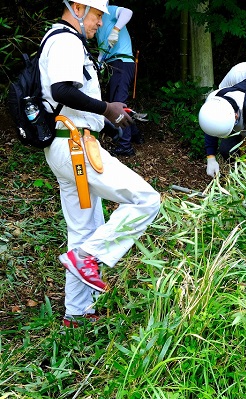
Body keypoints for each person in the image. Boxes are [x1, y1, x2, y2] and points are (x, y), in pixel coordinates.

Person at [40, 0, 161, 327]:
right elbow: (62, 89)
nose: (98, 24)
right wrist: (107, 107)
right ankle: (87, 257)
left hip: (68, 144)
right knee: (148, 199)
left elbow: (73, 101)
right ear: (78, 7)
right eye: (96, 16)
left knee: (83, 230)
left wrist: (111, 116)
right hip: (77, 148)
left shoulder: (63, 39)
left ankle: (77, 315)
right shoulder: (65, 39)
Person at [96, 3, 141, 156]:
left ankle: (125, 146)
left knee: (118, 103)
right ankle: (134, 134)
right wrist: (99, 62)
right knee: (113, 101)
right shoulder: (97, 24)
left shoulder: (109, 11)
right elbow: (103, 50)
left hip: (122, 62)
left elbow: (128, 11)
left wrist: (116, 30)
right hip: (112, 64)